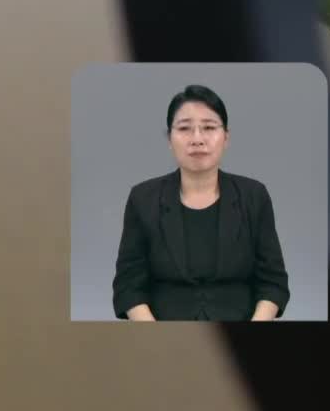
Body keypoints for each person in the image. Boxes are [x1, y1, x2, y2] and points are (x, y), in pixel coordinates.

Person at [112, 84, 289, 321]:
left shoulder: (253, 196)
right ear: (169, 138)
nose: (197, 139)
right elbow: (128, 285)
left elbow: (273, 281)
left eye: (208, 127)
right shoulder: (143, 198)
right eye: (185, 128)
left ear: (226, 137)